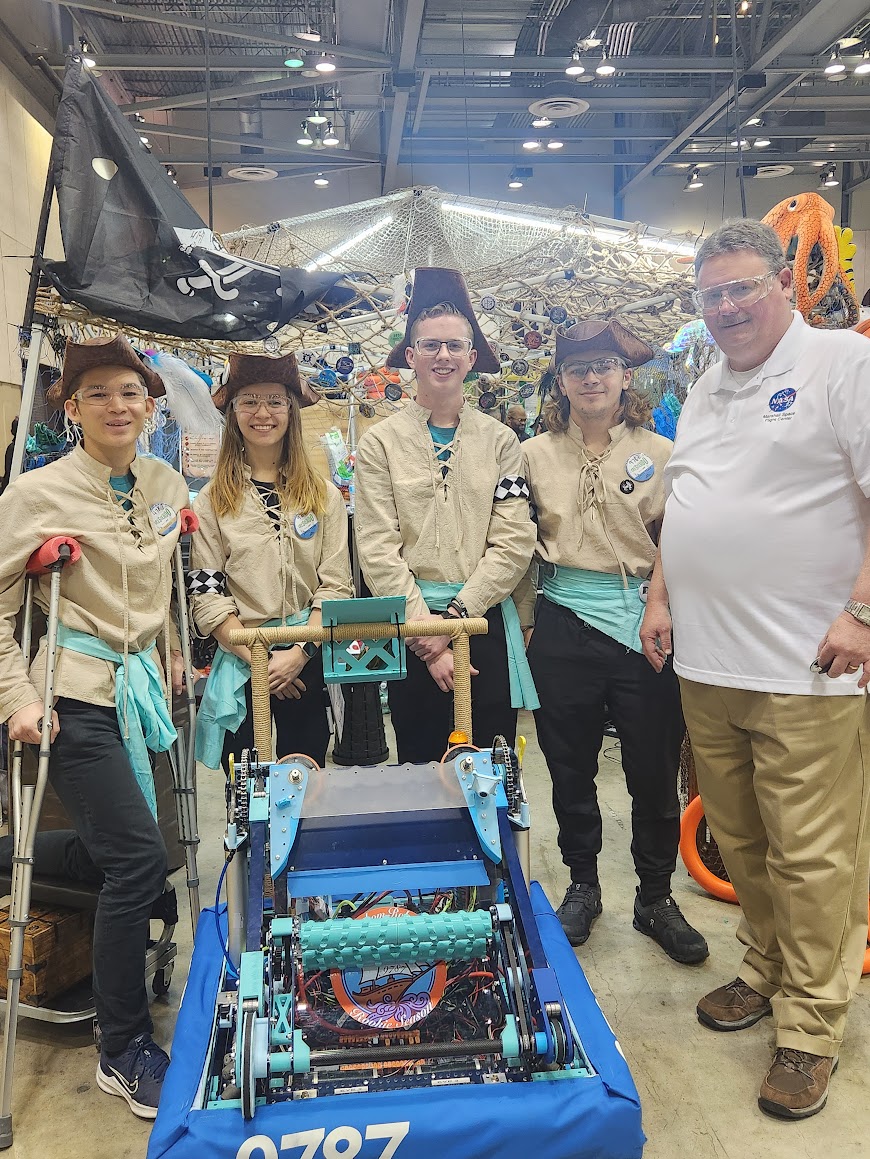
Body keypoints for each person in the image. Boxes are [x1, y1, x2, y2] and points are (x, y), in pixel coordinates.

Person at [641, 218, 870, 1120]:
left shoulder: (840, 367)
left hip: (807, 662)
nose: (728, 307)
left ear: (785, 282)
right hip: (709, 659)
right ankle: (766, 969)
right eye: (711, 294)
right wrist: (662, 597)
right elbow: (687, 503)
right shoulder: (705, 388)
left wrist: (860, 611)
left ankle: (812, 1026)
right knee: (744, 840)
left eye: (743, 288)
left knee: (813, 852)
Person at [0, 335, 188, 1118]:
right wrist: (16, 697)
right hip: (73, 691)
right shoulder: (37, 492)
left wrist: (174, 648)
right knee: (140, 864)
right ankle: (122, 1048)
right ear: (70, 407)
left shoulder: (164, 479)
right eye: (99, 394)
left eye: (131, 394)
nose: (118, 406)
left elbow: (161, 572)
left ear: (150, 407)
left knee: (132, 847)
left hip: (141, 686)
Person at [519, 320, 707, 964]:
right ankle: (583, 885)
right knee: (568, 766)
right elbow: (516, 544)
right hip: (563, 619)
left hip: (646, 623)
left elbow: (682, 542)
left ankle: (655, 897)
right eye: (578, 369)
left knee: (652, 769)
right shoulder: (532, 454)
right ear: (561, 382)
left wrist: (668, 607)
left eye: (604, 366)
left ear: (625, 378)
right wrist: (524, 620)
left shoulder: (662, 450)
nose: (592, 378)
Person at [354, 267, 537, 762]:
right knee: (419, 765)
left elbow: (514, 540)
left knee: (493, 771)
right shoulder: (379, 444)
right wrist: (427, 634)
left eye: (455, 346)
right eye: (431, 346)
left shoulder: (501, 443)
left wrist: (456, 619)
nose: (443, 356)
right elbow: (376, 546)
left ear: (471, 358)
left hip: (480, 620)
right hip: (412, 629)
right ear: (410, 357)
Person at [191, 352, 352, 772]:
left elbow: (335, 585)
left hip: (305, 662)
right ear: (232, 412)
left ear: (291, 411)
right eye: (249, 401)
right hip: (243, 661)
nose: (262, 413)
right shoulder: (213, 500)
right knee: (246, 795)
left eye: (274, 401)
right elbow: (208, 595)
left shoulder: (322, 496)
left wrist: (298, 652)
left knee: (306, 785)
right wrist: (261, 660)